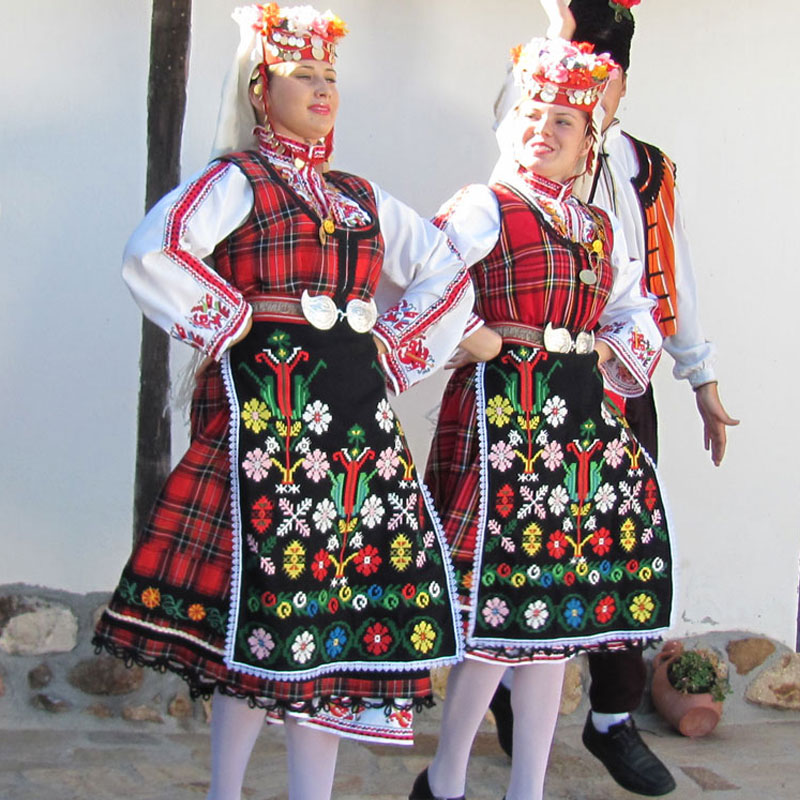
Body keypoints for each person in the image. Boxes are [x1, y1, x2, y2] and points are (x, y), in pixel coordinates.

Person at [93, 5, 480, 799]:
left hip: (353, 432)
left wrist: (392, 346)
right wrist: (236, 322)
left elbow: (446, 271)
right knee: (257, 619)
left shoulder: (359, 195)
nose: (323, 87)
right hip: (261, 423)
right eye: (305, 74)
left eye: (331, 75)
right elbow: (152, 252)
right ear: (260, 89)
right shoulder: (237, 181)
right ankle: (224, 791)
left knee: (330, 624)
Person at [410, 37, 673, 800]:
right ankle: (447, 779)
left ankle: (527, 787)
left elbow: (633, 312)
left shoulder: (597, 227)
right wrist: (477, 335)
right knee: (500, 619)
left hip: (573, 435)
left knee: (554, 619)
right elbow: (427, 289)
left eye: (565, 119)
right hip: (499, 428)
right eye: (533, 111)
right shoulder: (484, 207)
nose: (544, 129)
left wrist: (606, 358)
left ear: (589, 142)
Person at [487, 2, 739, 795]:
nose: (585, 89)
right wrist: (555, 35)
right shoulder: (526, 149)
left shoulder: (645, 168)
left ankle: (612, 717)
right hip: (531, 384)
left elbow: (677, 276)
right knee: (518, 545)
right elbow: (519, 98)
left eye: (603, 74)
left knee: (622, 551)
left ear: (624, 82)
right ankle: (495, 686)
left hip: (621, 383)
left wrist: (702, 379)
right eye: (570, 69)